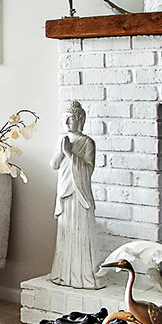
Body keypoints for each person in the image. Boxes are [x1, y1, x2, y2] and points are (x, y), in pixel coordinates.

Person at [50, 100, 102, 289]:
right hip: (65, 191)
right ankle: (63, 273)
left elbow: (88, 169)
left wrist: (69, 153)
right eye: (64, 118)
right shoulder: (62, 140)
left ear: (80, 119)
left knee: (81, 232)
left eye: (70, 118)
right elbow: (54, 165)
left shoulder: (87, 142)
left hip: (80, 193)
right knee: (66, 232)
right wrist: (62, 151)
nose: (66, 122)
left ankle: (84, 276)